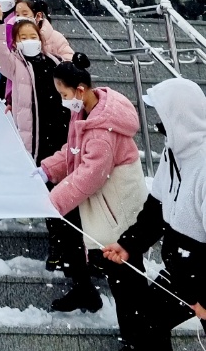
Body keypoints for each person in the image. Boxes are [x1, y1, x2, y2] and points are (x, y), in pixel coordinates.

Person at [40, 56, 148, 325]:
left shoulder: (101, 130)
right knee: (119, 271)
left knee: (126, 274)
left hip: (116, 205)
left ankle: (139, 331)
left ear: (80, 90)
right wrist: (48, 169)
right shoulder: (86, 111)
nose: (63, 100)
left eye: (64, 94)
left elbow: (91, 175)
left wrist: (54, 200)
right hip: (106, 203)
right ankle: (132, 326)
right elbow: (74, 150)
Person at [104, 76, 206, 350]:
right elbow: (156, 208)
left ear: (179, 117)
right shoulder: (174, 153)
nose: (158, 123)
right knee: (146, 323)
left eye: (163, 115)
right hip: (181, 269)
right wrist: (129, 244)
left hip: (202, 271)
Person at [0, 12, 69, 164]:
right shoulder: (15, 64)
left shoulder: (55, 60)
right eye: (23, 38)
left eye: (33, 37)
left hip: (59, 123)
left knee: (59, 162)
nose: (29, 41)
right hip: (34, 128)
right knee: (38, 164)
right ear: (15, 42)